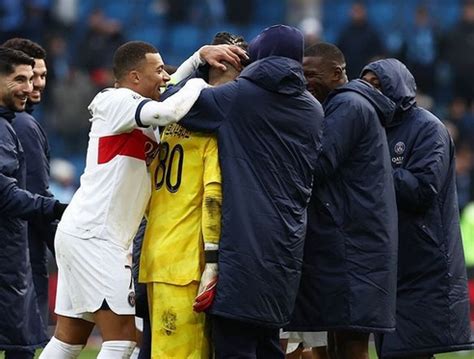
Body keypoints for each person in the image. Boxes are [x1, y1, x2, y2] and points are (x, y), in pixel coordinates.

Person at [39, 41, 247, 359]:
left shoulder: (133, 108)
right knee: (122, 340)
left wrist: (197, 57)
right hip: (98, 237)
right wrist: (203, 84)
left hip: (83, 232)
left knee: (68, 339)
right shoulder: (116, 101)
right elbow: (171, 108)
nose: (166, 77)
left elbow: (169, 91)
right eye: (159, 70)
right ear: (135, 77)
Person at [176, 24, 325, 358]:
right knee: (268, 345)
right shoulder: (313, 109)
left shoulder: (240, 97)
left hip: (242, 250)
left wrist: (200, 61)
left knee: (234, 346)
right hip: (286, 251)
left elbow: (173, 105)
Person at [139, 31, 247, 358]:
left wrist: (199, 55)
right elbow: (213, 200)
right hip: (187, 264)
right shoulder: (214, 132)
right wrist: (212, 265)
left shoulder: (168, 122)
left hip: (154, 255)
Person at [288, 42, 398, 359]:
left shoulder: (349, 105)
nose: (304, 81)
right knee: (340, 340)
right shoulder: (346, 105)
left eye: (311, 73)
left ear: (337, 73)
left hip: (353, 249)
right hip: (354, 245)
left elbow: (319, 164)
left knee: (351, 345)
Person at [361, 58, 474, 358]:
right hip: (389, 266)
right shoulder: (373, 128)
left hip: (423, 266)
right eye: (366, 84)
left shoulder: (428, 128)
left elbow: (423, 189)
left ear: (396, 85)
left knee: (411, 352)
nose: (371, 91)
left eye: (377, 84)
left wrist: (372, 169)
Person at [0, 47, 67, 359]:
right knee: (21, 348)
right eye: (24, 78)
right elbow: (23, 195)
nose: (34, 85)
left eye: (39, 76)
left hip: (17, 256)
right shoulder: (22, 126)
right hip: (17, 259)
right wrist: (67, 248)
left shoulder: (14, 122)